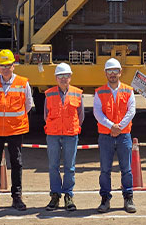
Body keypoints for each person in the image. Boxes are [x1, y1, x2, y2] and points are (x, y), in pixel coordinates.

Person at [0, 49, 34, 212]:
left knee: (17, 163)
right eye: (2, 65)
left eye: (8, 65)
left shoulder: (23, 83)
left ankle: (17, 198)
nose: (5, 68)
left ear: (14, 65)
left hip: (15, 130)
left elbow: (28, 105)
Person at [93, 58, 137, 214]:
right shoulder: (100, 92)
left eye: (115, 71)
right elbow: (97, 113)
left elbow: (131, 111)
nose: (112, 74)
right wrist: (112, 126)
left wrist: (119, 127)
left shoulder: (128, 90)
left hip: (124, 135)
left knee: (126, 169)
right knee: (105, 169)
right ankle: (105, 199)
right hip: (106, 136)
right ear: (105, 73)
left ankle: (128, 198)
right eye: (109, 71)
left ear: (120, 72)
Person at [43, 63, 84, 212]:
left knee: (70, 167)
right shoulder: (49, 94)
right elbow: (45, 115)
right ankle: (55, 195)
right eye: (60, 76)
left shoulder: (77, 93)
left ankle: (68, 195)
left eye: (66, 76)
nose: (63, 79)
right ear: (56, 78)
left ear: (70, 77)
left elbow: (81, 115)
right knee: (53, 166)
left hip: (70, 135)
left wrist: (73, 128)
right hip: (53, 135)